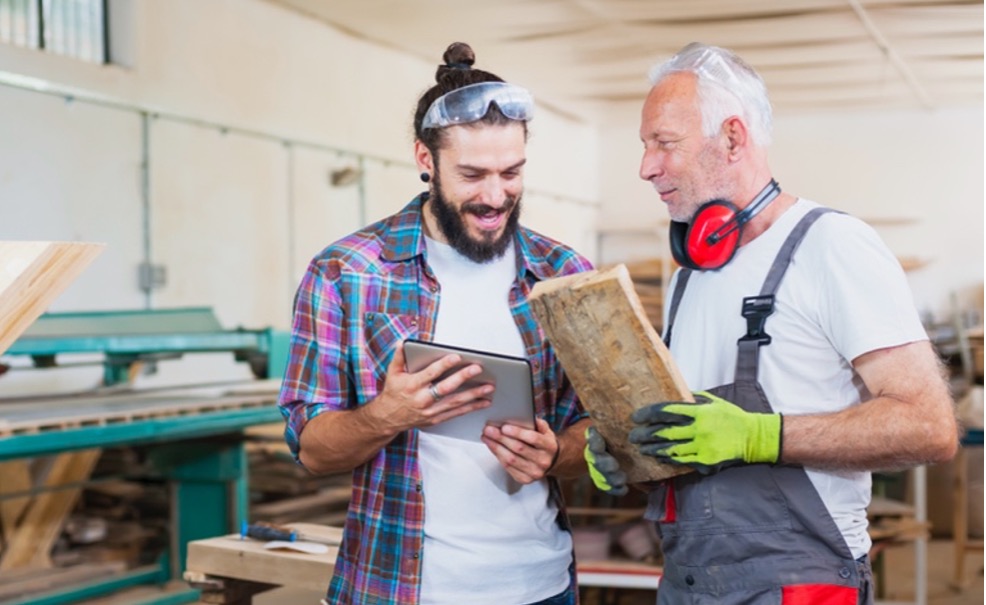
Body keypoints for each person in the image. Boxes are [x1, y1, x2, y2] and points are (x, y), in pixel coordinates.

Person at [584, 42, 958, 604]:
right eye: (644, 146)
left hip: (797, 584)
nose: (646, 167)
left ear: (732, 138)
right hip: (687, 579)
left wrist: (761, 435)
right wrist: (629, 451)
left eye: (664, 143)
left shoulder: (831, 245)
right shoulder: (693, 273)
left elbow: (929, 426)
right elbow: (696, 448)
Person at [278, 42, 593, 605]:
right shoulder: (346, 272)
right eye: (472, 174)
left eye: (512, 172)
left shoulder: (564, 274)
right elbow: (311, 450)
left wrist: (557, 453)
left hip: (541, 587)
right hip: (398, 588)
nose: (495, 196)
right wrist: (387, 415)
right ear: (426, 159)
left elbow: (608, 430)